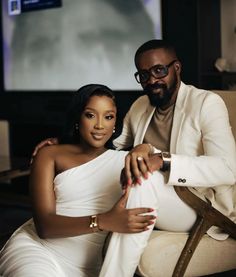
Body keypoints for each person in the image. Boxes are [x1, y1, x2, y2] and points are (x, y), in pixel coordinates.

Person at [31, 39, 236, 240]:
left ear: (177, 68)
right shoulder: (141, 105)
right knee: (134, 175)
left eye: (159, 71)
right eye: (144, 75)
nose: (152, 80)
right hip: (150, 195)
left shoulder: (206, 103)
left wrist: (163, 160)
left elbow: (228, 168)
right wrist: (63, 141)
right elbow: (110, 140)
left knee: (141, 177)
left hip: (197, 204)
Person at [0, 84, 164, 277]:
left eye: (108, 116)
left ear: (115, 124)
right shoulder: (50, 154)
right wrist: (104, 221)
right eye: (90, 115)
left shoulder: (125, 161)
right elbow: (45, 226)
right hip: (38, 251)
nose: (100, 125)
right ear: (78, 118)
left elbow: (171, 161)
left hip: (88, 266)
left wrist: (147, 147)